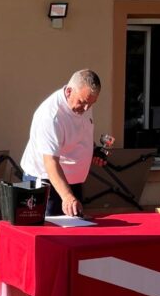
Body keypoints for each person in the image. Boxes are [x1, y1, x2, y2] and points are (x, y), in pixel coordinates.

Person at [20, 70, 104, 217]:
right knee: (49, 230)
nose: (86, 108)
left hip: (73, 181)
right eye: (83, 102)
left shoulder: (83, 102)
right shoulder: (51, 116)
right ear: (69, 91)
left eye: (91, 103)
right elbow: (50, 162)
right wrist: (67, 197)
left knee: (75, 229)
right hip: (46, 182)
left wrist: (93, 149)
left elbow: (80, 131)